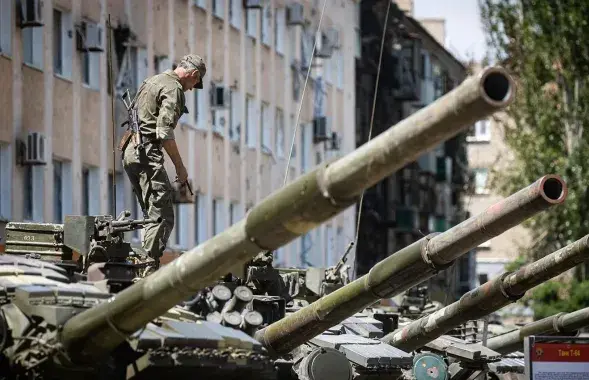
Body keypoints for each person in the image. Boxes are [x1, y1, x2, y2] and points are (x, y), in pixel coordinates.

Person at [120, 54, 206, 269]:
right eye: (194, 84)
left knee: (152, 212)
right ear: (194, 75)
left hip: (131, 150)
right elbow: (164, 130)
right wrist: (180, 167)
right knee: (162, 213)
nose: (191, 89)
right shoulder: (173, 88)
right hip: (145, 151)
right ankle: (147, 266)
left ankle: (143, 260)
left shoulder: (153, 80)